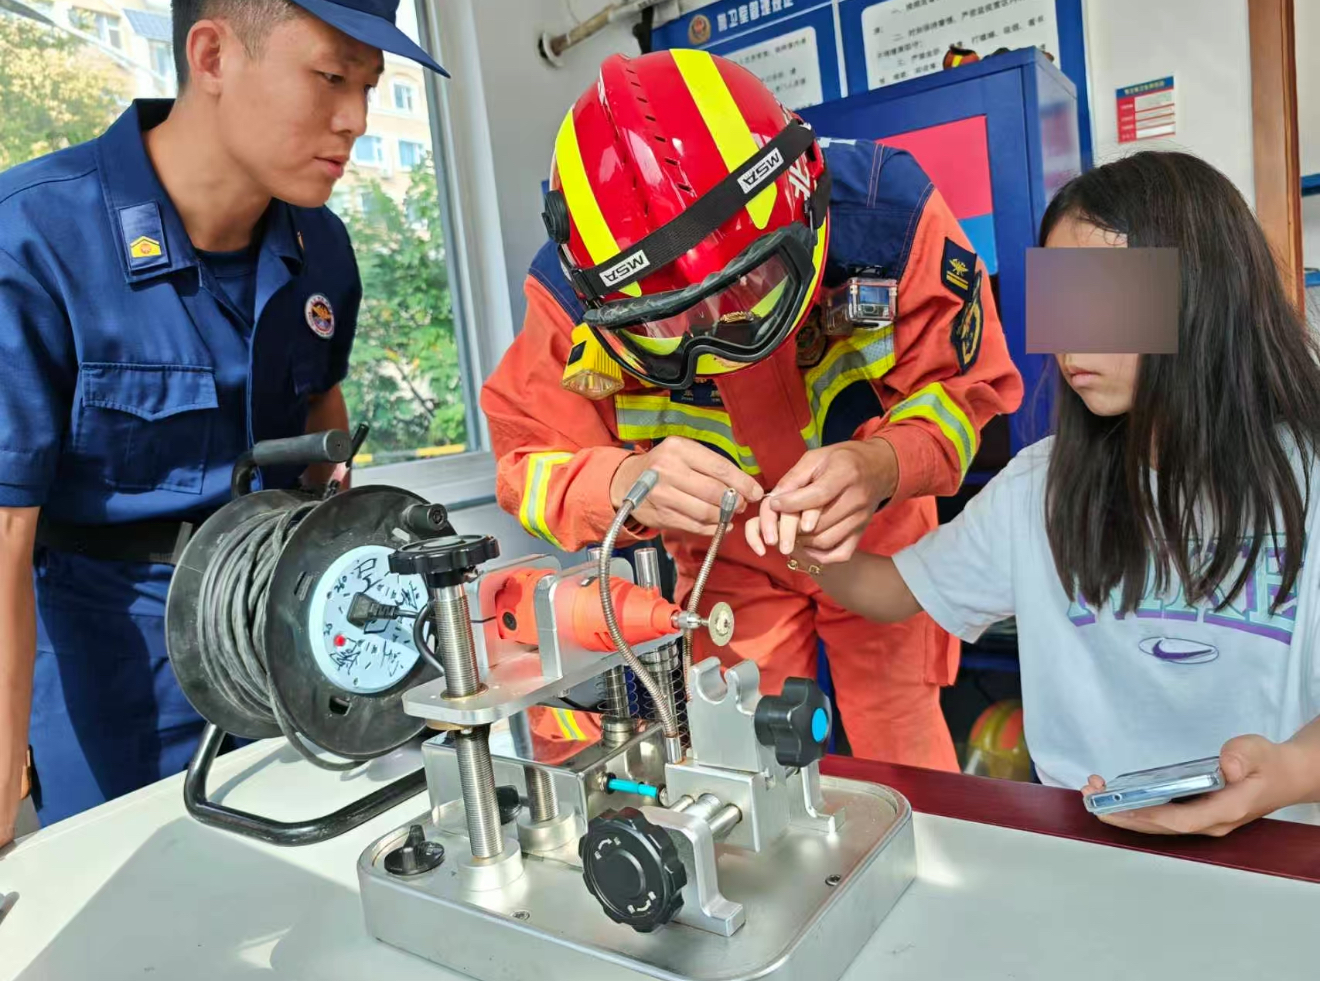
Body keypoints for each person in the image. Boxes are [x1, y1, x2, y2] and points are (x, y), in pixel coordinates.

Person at [482, 50, 1022, 770]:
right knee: (748, 761)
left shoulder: (890, 215)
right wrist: (622, 484)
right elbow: (528, 462)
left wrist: (881, 463)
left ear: (802, 199)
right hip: (721, 563)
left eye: (751, 284)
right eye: (671, 321)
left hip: (877, 530)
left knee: (908, 759)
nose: (720, 329)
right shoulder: (571, 300)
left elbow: (968, 388)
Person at [752, 151, 1320, 833]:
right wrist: (793, 534)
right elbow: (890, 590)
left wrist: (1288, 772)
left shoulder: (1308, 478)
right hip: (1084, 848)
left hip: (1283, 857)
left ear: (1203, 295)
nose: (1072, 341)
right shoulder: (1042, 487)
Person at [0, 0, 448, 845]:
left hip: (291, 646)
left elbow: (323, 419)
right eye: (328, 77)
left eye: (367, 86)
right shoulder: (31, 239)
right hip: (117, 669)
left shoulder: (323, 246)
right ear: (211, 56)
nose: (354, 120)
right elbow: (5, 532)